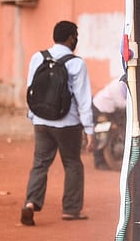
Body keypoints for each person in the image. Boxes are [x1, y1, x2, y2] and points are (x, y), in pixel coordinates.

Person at [21, 21, 94, 225]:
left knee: (40, 163)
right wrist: (90, 130)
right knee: (72, 163)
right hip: (67, 123)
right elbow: (83, 99)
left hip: (41, 120)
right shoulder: (77, 63)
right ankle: (71, 209)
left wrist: (33, 116)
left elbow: (30, 89)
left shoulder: (38, 57)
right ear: (71, 37)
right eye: (75, 36)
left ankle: (30, 203)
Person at [91, 75, 128, 171]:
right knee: (101, 134)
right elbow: (121, 103)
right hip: (100, 108)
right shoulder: (117, 86)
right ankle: (99, 161)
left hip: (110, 109)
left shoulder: (123, 85)